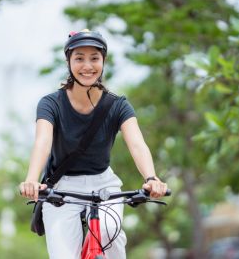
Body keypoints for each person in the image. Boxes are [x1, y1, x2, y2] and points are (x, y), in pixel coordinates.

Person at [19, 29, 168, 259]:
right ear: (68, 61)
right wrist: (31, 179)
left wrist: (151, 178)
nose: (87, 65)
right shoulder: (51, 104)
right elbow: (43, 141)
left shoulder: (118, 106)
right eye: (79, 58)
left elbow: (137, 144)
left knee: (110, 232)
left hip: (104, 184)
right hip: (62, 190)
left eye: (94, 58)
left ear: (103, 61)